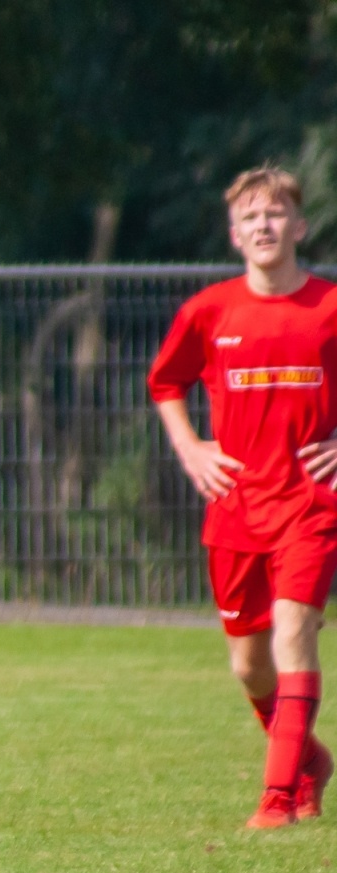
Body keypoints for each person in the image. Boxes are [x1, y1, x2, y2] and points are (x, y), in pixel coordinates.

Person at [150, 164, 337, 829]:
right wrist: (191, 449)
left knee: (294, 635)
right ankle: (310, 760)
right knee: (248, 665)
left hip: (312, 506)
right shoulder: (209, 311)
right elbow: (164, 383)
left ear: (300, 225)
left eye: (277, 213)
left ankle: (278, 797)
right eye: (252, 217)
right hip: (235, 509)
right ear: (235, 234)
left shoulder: (330, 307)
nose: (265, 225)